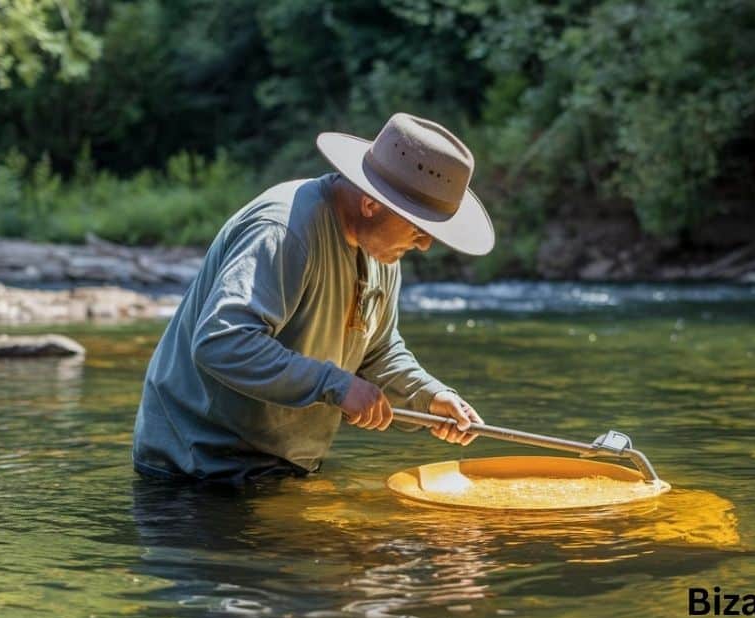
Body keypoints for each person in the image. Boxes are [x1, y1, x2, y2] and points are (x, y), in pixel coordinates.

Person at [132, 112, 495, 484]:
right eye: (419, 227)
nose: (426, 243)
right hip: (196, 469)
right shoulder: (283, 231)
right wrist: (335, 385)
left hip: (274, 468)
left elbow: (377, 352)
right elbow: (222, 342)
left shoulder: (383, 251)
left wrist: (429, 394)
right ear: (371, 204)